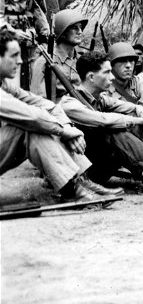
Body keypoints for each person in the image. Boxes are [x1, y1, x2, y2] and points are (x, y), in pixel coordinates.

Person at [1, 31, 108, 203]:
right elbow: (30, 116)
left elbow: (45, 105)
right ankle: (72, 189)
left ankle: (80, 181)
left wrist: (68, 126)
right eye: (13, 56)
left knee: (42, 123)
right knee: (33, 127)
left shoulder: (4, 84)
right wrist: (63, 131)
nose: (20, 61)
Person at [61, 52, 143, 192]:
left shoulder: (100, 98)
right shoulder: (69, 103)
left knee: (129, 118)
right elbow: (104, 121)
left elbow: (136, 108)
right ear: (91, 77)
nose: (112, 77)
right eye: (107, 72)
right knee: (114, 129)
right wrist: (140, 121)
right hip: (85, 171)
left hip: (103, 162)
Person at [0, 0, 49, 94]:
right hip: (9, 41)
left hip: (31, 40)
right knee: (12, 87)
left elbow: (38, 9)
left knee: (36, 85)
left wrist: (45, 28)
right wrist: (12, 32)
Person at [32, 9, 86, 101]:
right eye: (74, 28)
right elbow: (38, 99)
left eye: (80, 27)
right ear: (63, 31)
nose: (80, 31)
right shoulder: (45, 61)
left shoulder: (83, 59)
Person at [108, 42, 143, 106]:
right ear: (111, 65)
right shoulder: (104, 86)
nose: (128, 65)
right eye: (122, 60)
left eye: (131, 61)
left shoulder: (139, 82)